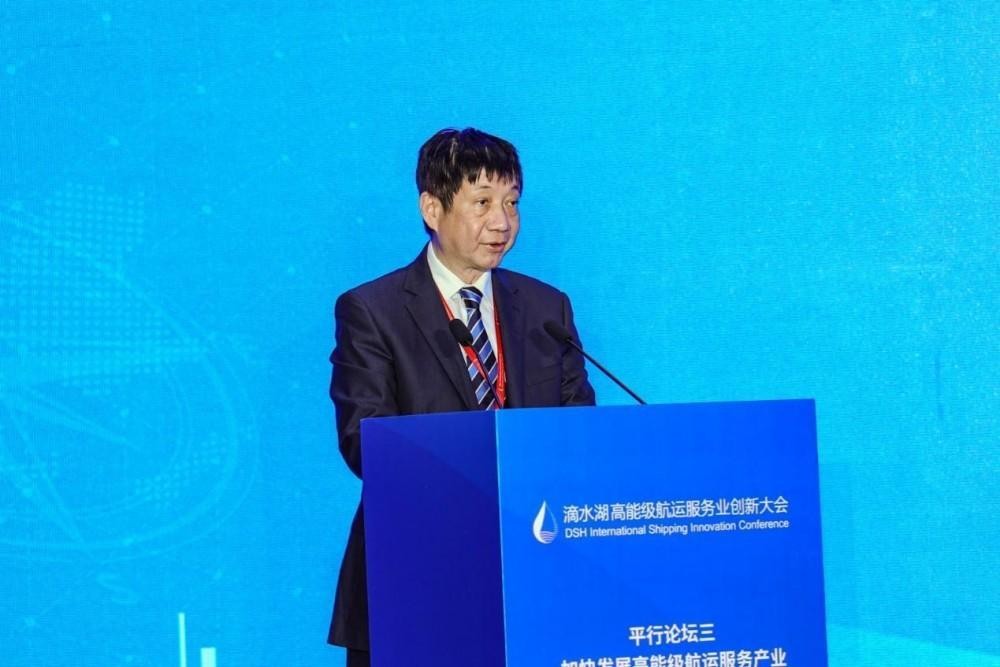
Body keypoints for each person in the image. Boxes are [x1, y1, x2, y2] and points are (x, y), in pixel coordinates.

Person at [326, 127, 596, 666]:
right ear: (433, 208)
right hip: (412, 577)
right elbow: (364, 441)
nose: (503, 222)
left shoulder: (546, 309)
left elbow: (577, 430)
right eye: (483, 203)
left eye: (512, 203)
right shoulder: (373, 311)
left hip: (531, 575)